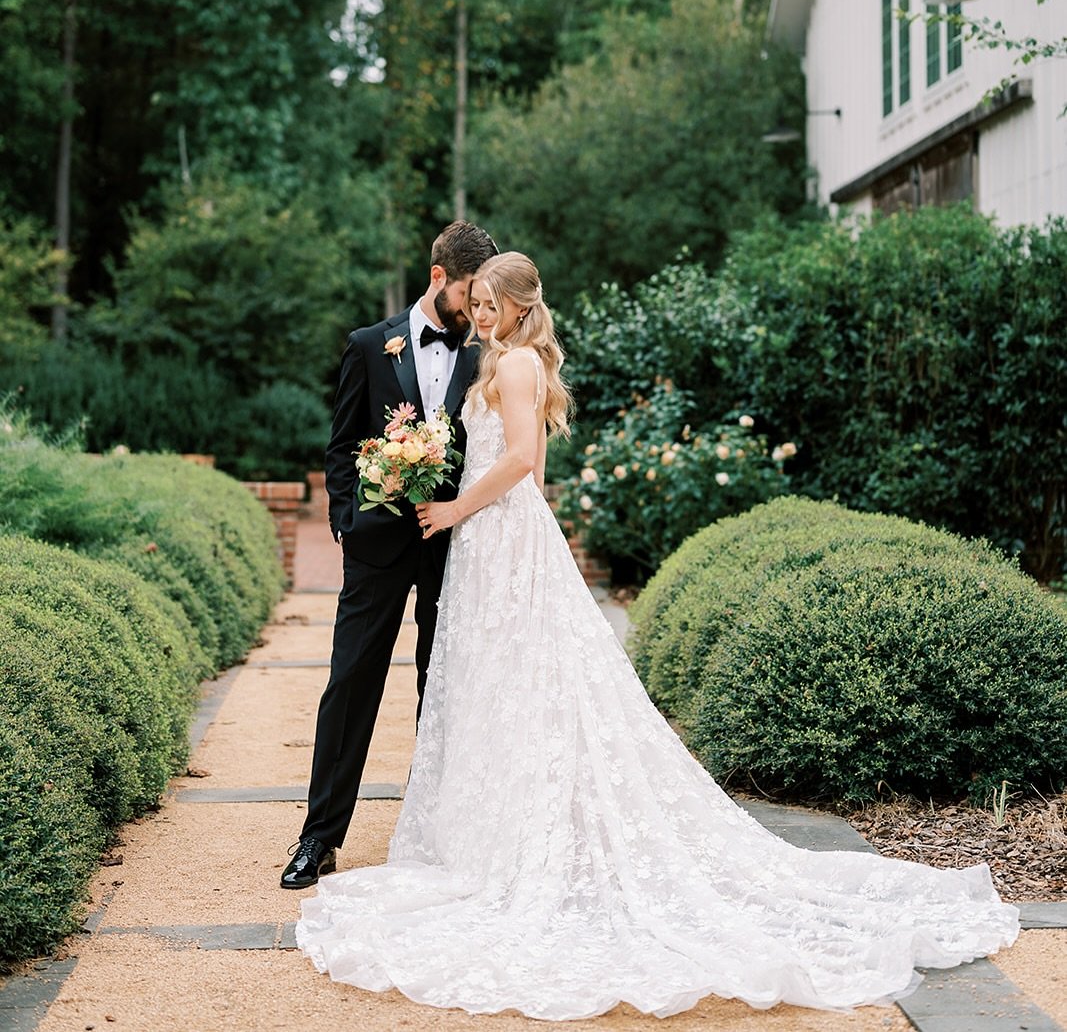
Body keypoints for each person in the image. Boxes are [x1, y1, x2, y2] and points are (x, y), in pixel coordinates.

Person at [295, 251, 1019, 1018]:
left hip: (489, 535)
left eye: (486, 306)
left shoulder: (510, 369)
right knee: (494, 687)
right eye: (470, 304)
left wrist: (455, 512)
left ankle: (517, 841)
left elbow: (523, 462)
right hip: (473, 546)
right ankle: (448, 828)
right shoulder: (498, 359)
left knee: (518, 683)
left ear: (514, 305)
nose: (475, 317)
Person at [280, 220, 498, 891]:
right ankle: (318, 838)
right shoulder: (369, 346)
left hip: (451, 544)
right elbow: (342, 443)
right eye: (470, 292)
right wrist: (347, 521)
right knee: (350, 683)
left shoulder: (488, 352)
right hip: (376, 544)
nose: (474, 307)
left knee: (442, 685)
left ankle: (434, 833)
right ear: (440, 277)